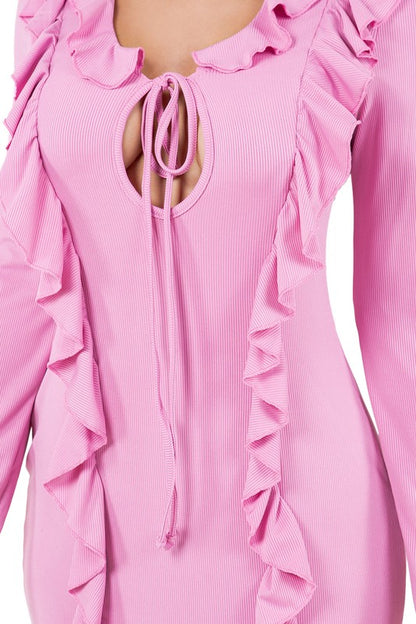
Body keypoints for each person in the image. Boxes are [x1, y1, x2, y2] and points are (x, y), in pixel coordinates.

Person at [0, 0, 415, 622]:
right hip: (87, 536)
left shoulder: (366, 13)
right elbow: (21, 294)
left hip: (304, 534)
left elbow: (403, 332)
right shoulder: (54, 13)